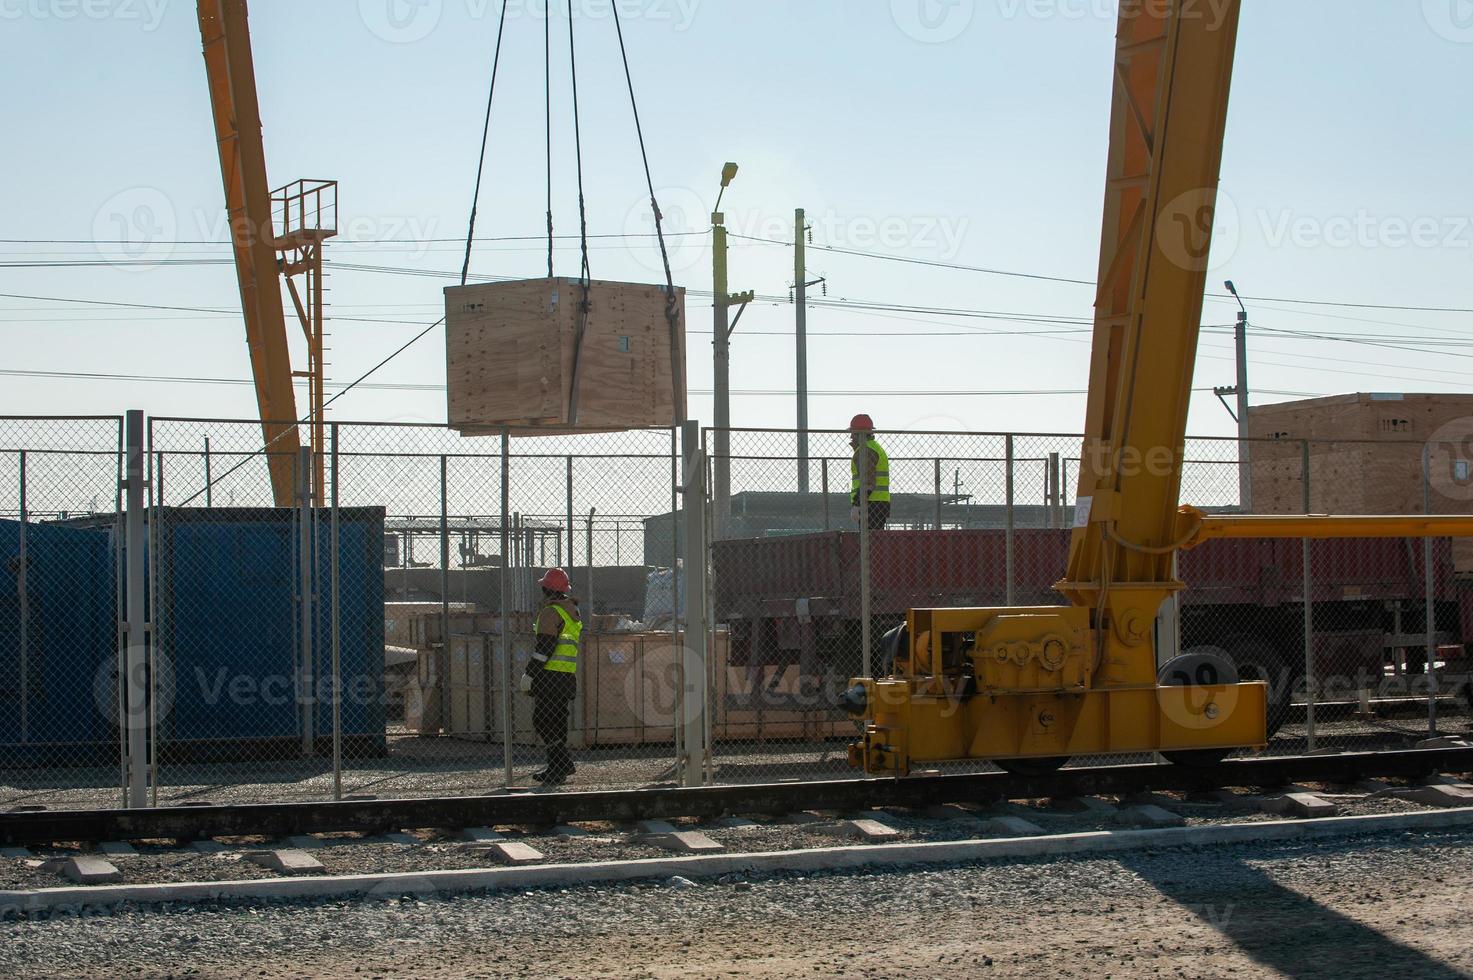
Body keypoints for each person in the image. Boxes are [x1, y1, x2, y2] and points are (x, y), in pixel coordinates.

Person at [521, 567, 582, 785]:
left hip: (550, 676)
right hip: (566, 676)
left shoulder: (551, 612)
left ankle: (562, 764)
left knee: (542, 720)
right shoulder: (571, 611)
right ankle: (557, 769)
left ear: (546, 589)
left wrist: (530, 673)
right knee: (556, 722)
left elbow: (544, 648)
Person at [849, 414, 891, 530]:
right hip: (878, 503)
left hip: (870, 503)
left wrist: (857, 504)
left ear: (859, 433)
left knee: (868, 542)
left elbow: (868, 482)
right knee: (874, 541)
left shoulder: (865, 450)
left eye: (852, 432)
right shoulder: (874, 447)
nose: (851, 436)